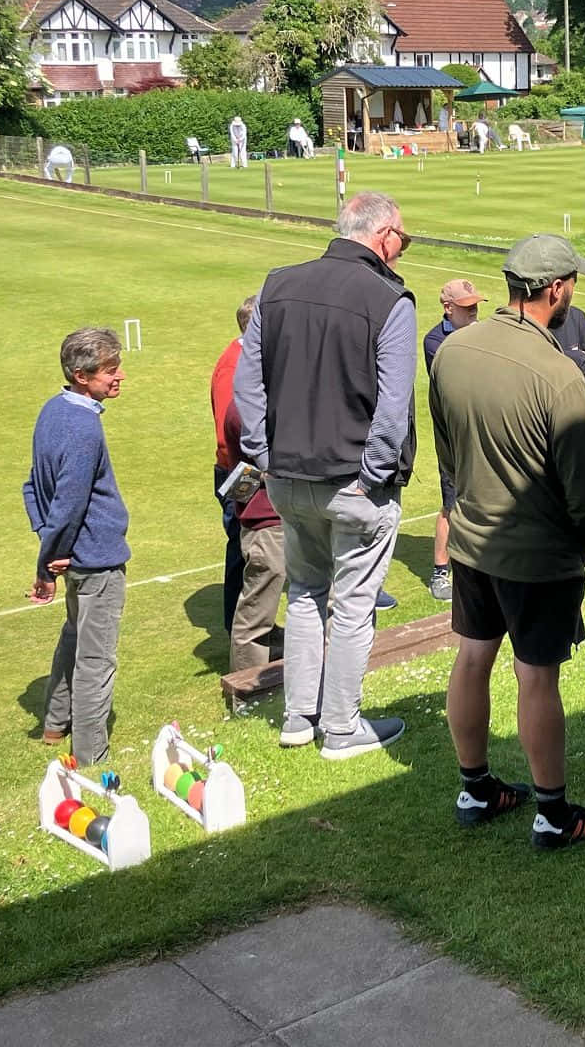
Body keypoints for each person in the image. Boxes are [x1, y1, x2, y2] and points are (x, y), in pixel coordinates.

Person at [430, 234, 585, 850]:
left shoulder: (453, 351)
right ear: (556, 289)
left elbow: (449, 454)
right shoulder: (558, 374)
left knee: (472, 657)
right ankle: (553, 815)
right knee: (537, 677)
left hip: (472, 540)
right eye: (573, 285)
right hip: (535, 554)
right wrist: (580, 537)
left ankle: (475, 787)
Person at [234, 191, 417, 760]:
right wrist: (375, 473)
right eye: (403, 240)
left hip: (289, 480)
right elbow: (395, 403)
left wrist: (265, 457)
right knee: (353, 604)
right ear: (383, 235)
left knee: (307, 596)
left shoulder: (277, 284)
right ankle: (339, 727)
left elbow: (248, 387)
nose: (402, 251)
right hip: (353, 484)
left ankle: (298, 718)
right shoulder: (390, 299)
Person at [23, 327, 130, 764]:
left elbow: (31, 489)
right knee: (96, 657)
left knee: (73, 637)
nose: (120, 376)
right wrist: (47, 563)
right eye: (110, 370)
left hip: (75, 555)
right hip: (96, 560)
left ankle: (54, 724)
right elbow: (67, 502)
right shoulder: (85, 428)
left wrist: (50, 548)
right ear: (81, 375)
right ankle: (91, 755)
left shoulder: (52, 410)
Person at [423, 278, 485, 602]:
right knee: (451, 505)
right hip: (454, 439)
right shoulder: (435, 342)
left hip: (484, 432)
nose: (473, 310)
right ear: (448, 308)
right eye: (465, 306)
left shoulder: (482, 334)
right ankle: (440, 571)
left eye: (474, 304)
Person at [221, 395, 285, 671]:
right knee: (256, 615)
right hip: (267, 522)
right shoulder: (246, 407)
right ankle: (247, 690)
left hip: (285, 515)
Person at [210, 296, 255, 634]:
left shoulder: (246, 358)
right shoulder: (235, 364)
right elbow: (231, 431)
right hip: (240, 472)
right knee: (242, 547)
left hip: (244, 468)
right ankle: (237, 628)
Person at [551, 294, 585, 566]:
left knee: (576, 482)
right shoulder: (537, 322)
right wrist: (574, 357)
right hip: (546, 416)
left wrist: (564, 358)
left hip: (577, 415)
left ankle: (578, 549)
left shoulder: (578, 317)